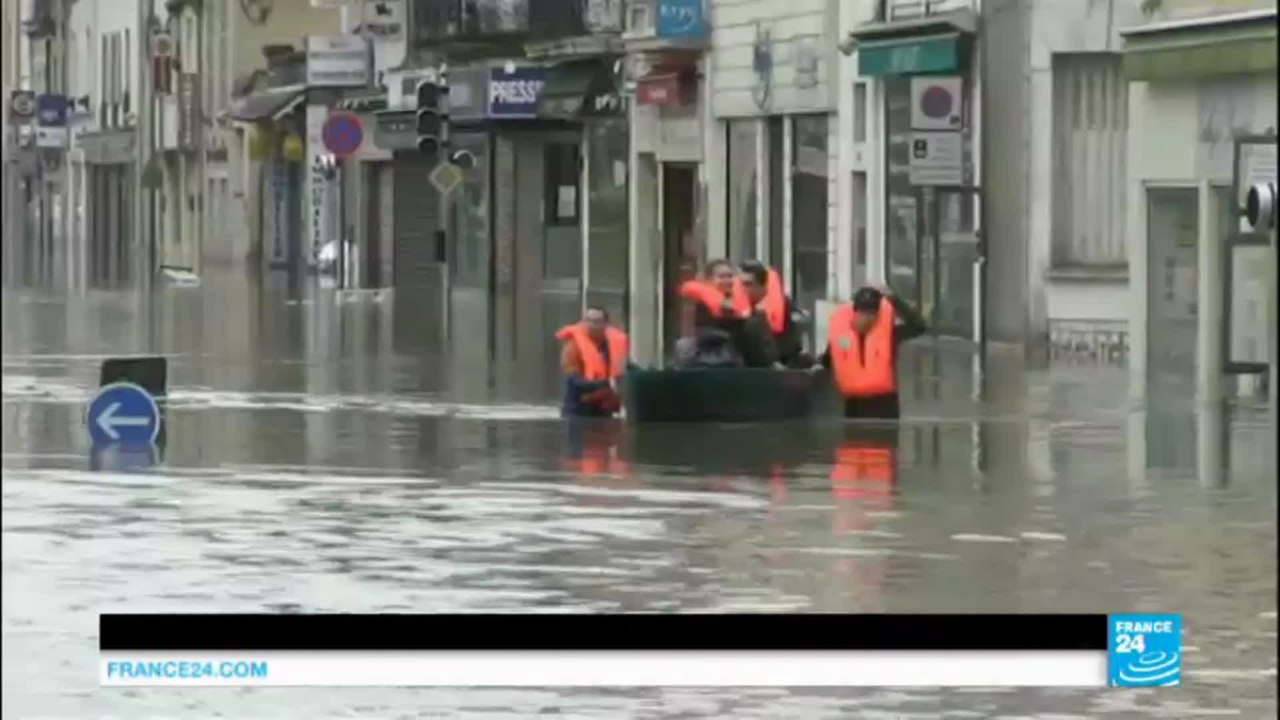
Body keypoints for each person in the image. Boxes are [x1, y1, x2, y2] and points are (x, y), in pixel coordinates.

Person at [815, 285, 926, 419]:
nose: (869, 318)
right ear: (855, 312)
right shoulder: (840, 335)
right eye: (864, 312)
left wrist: (896, 301)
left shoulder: (890, 335)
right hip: (854, 405)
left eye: (873, 313)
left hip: (885, 406)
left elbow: (919, 326)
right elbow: (826, 361)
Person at [675, 260, 777, 368]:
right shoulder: (704, 304)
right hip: (716, 360)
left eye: (730, 276)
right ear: (709, 280)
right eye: (721, 277)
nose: (727, 280)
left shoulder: (742, 301)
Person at [735, 260, 810, 368]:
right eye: (740, 284)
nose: (742, 289)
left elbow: (793, 345)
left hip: (776, 368)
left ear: (763, 285)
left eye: (748, 284)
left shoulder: (783, 305)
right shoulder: (735, 307)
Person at [556, 306, 630, 417]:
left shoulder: (614, 345)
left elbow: (624, 370)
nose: (592, 325)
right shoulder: (572, 347)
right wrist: (609, 383)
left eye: (597, 321)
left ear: (605, 324)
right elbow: (574, 380)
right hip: (578, 409)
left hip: (604, 409)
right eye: (588, 320)